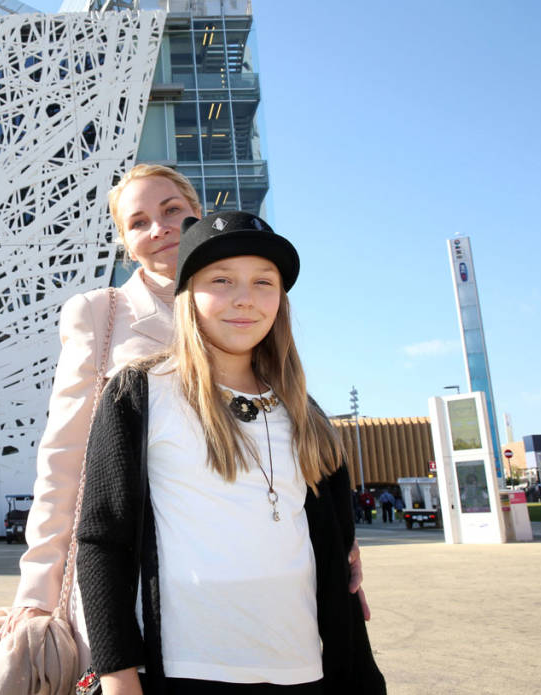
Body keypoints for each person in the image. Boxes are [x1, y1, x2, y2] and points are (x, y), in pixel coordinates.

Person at [3, 167, 371, 657]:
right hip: (141, 564)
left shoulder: (245, 304)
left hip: (260, 579)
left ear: (199, 214)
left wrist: (337, 546)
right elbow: (65, 461)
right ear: (125, 243)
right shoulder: (100, 314)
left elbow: (295, 441)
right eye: (138, 223)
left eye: (172, 211)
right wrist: (37, 592)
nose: (159, 229)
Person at [77, 211, 385, 693]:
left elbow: (334, 547)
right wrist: (117, 673)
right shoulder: (139, 393)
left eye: (265, 282)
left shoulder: (307, 413)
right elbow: (102, 541)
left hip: (303, 667)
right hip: (188, 670)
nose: (245, 298)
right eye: (221, 279)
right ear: (186, 295)